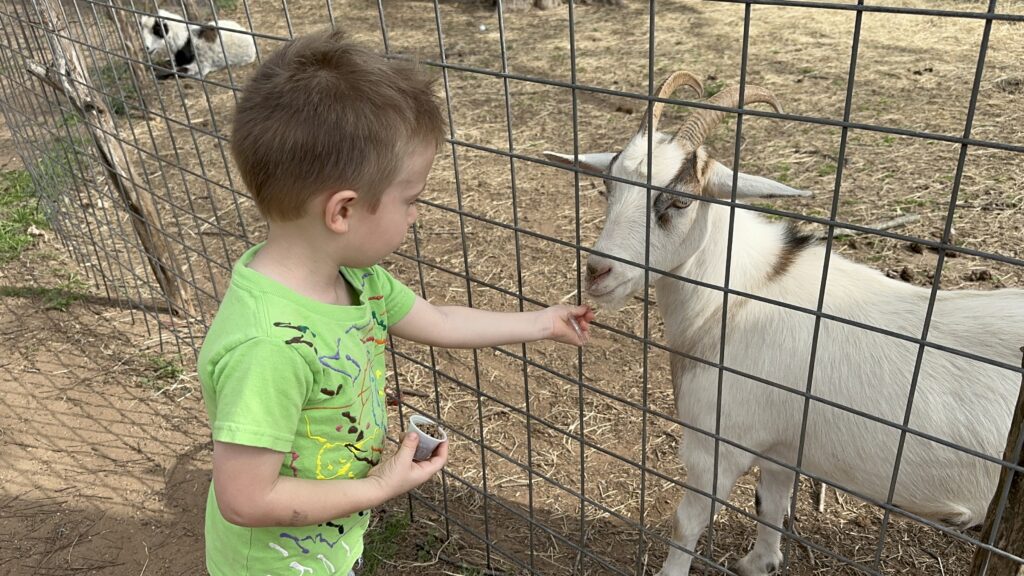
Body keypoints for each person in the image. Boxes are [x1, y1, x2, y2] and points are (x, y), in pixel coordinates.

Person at [197, 29, 594, 576]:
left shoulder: (360, 281)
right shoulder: (270, 346)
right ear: (343, 211)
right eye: (411, 200)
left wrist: (544, 322)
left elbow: (442, 320)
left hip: (329, 545)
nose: (415, 215)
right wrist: (378, 487)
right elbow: (244, 498)